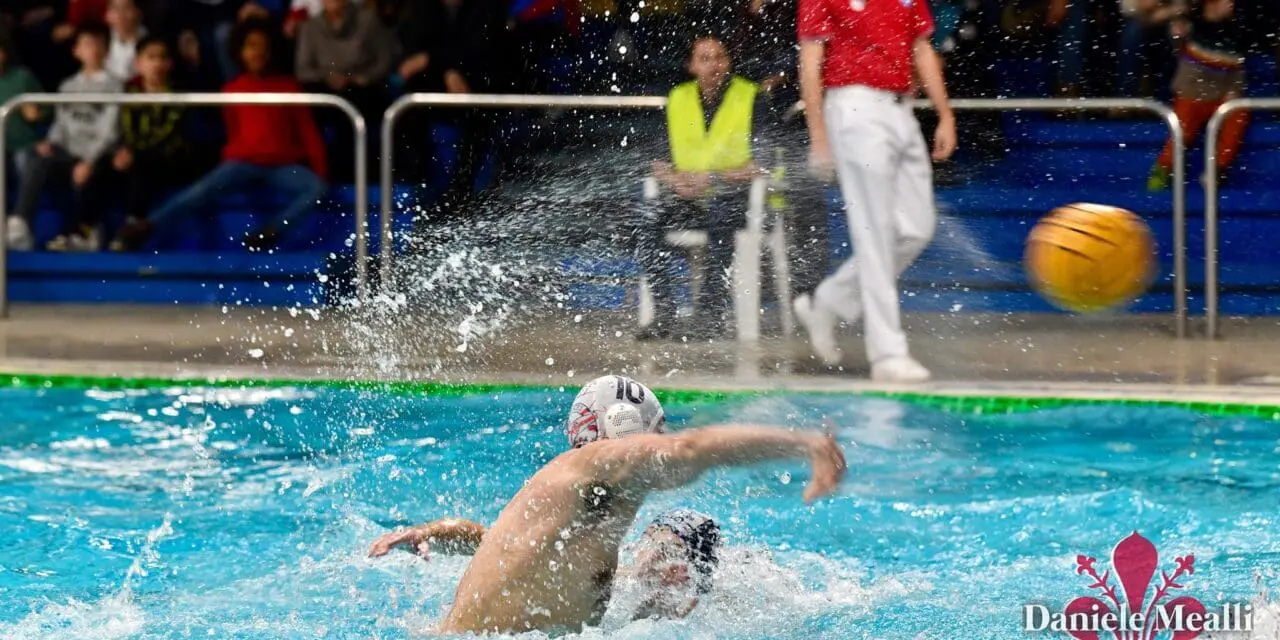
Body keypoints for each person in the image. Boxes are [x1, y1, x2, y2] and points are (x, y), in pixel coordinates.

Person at [368, 374, 845, 634]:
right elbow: (692, 450)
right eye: (658, 434)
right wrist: (805, 443)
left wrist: (438, 531)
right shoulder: (599, 464)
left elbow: (504, 546)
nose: (662, 445)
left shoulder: (581, 502)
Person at [795, 0, 956, 382]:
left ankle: (829, 301)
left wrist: (945, 113)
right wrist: (818, 136)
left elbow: (921, 47)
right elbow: (810, 63)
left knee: (917, 228)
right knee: (875, 233)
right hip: (853, 107)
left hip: (901, 109)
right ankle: (887, 355)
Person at [113, 20, 327, 253]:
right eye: (251, 46)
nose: (258, 52)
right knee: (199, 192)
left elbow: (308, 131)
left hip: (283, 165)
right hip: (242, 163)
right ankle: (146, 227)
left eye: (263, 46)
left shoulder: (289, 87)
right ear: (240, 51)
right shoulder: (233, 89)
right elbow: (233, 131)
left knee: (316, 188)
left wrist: (320, 169)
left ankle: (270, 232)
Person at [636, 34, 768, 341]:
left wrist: (715, 178)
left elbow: (763, 165)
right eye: (705, 59)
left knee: (722, 222)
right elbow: (657, 161)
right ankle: (664, 313)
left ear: (729, 62)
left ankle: (709, 316)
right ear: (691, 65)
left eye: (720, 57)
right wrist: (675, 181)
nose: (714, 65)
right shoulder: (677, 98)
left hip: (733, 196)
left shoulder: (751, 96)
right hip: (687, 198)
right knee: (645, 222)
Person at [370, 508, 722, 620]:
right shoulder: (605, 576)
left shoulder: (703, 614)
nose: (651, 560)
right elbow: (494, 542)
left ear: (692, 571)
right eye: (649, 546)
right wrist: (426, 531)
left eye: (668, 554)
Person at [6, 21, 122, 252]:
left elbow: (111, 132)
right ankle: (20, 224)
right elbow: (60, 124)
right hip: (69, 154)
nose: (93, 50)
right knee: (38, 156)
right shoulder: (68, 86)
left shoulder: (115, 85)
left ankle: (86, 232)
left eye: (98, 44)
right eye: (87, 44)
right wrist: (50, 142)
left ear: (106, 50)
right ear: (76, 51)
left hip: (97, 155)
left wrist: (88, 161)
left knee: (93, 172)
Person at [1147, 0, 1248, 191]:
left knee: (1238, 115)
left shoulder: (1236, 31)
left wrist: (1234, 91)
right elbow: (1174, 43)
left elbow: (1238, 69)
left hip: (1221, 98)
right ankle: (1163, 168)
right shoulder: (1189, 25)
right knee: (1182, 128)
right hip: (1191, 94)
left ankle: (1217, 170)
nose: (1229, 4)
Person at [0, 33, 46, 182]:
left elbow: (49, 109)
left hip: (24, 144)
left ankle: (23, 206)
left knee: (25, 160)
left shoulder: (22, 77)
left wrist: (38, 114)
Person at [104, 0, 145, 80]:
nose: (121, 14)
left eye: (126, 8)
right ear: (107, 15)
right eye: (115, 8)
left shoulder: (149, 42)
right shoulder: (101, 39)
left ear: (138, 12)